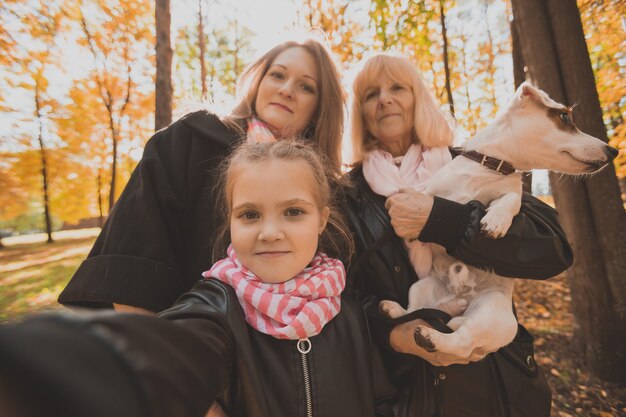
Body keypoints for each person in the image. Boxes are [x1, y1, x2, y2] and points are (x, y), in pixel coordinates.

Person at [0, 141, 395, 417]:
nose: (270, 232)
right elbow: (171, 351)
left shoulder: (346, 309)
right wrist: (59, 372)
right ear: (231, 222)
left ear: (322, 219)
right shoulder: (215, 305)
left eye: (293, 212)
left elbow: (381, 401)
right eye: (250, 215)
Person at [342, 53, 573, 416]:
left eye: (397, 88)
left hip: (497, 384)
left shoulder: (473, 160)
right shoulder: (348, 195)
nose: (384, 98)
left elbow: (552, 248)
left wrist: (443, 220)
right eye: (371, 94)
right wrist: (392, 334)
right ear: (361, 113)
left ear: (418, 98)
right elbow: (346, 298)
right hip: (406, 394)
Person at [58, 37, 346, 314]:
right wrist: (150, 354)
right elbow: (135, 262)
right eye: (277, 75)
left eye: (306, 87)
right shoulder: (190, 139)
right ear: (259, 81)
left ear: (321, 108)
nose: (286, 89)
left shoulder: (331, 189)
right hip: (188, 346)